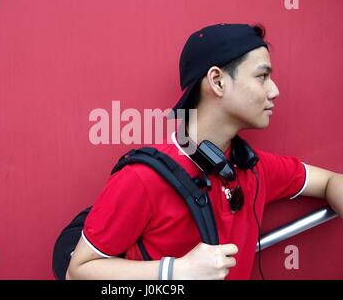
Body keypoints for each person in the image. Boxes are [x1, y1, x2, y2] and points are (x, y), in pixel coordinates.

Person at [66, 23, 343, 280]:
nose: (274, 90)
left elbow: (332, 181)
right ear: (218, 81)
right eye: (262, 76)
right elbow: (78, 271)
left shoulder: (254, 168)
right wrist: (176, 270)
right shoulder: (143, 178)